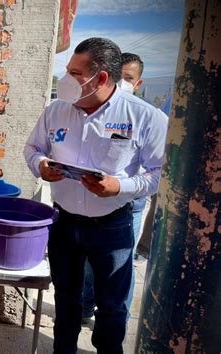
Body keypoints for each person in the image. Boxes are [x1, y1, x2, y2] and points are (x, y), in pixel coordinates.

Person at [23, 38, 168, 353]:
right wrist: (41, 165)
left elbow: (161, 174)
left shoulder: (145, 117)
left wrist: (119, 187)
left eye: (75, 73)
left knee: (112, 306)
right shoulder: (56, 111)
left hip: (112, 226)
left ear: (100, 78)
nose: (65, 80)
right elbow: (32, 148)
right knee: (66, 297)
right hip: (63, 223)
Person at [81, 52, 154, 322]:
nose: (122, 82)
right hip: (94, 201)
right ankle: (86, 306)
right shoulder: (98, 111)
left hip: (129, 205)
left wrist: (121, 186)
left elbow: (154, 167)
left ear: (138, 83)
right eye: (117, 76)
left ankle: (114, 317)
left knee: (121, 266)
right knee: (91, 264)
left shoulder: (144, 116)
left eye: (129, 78)